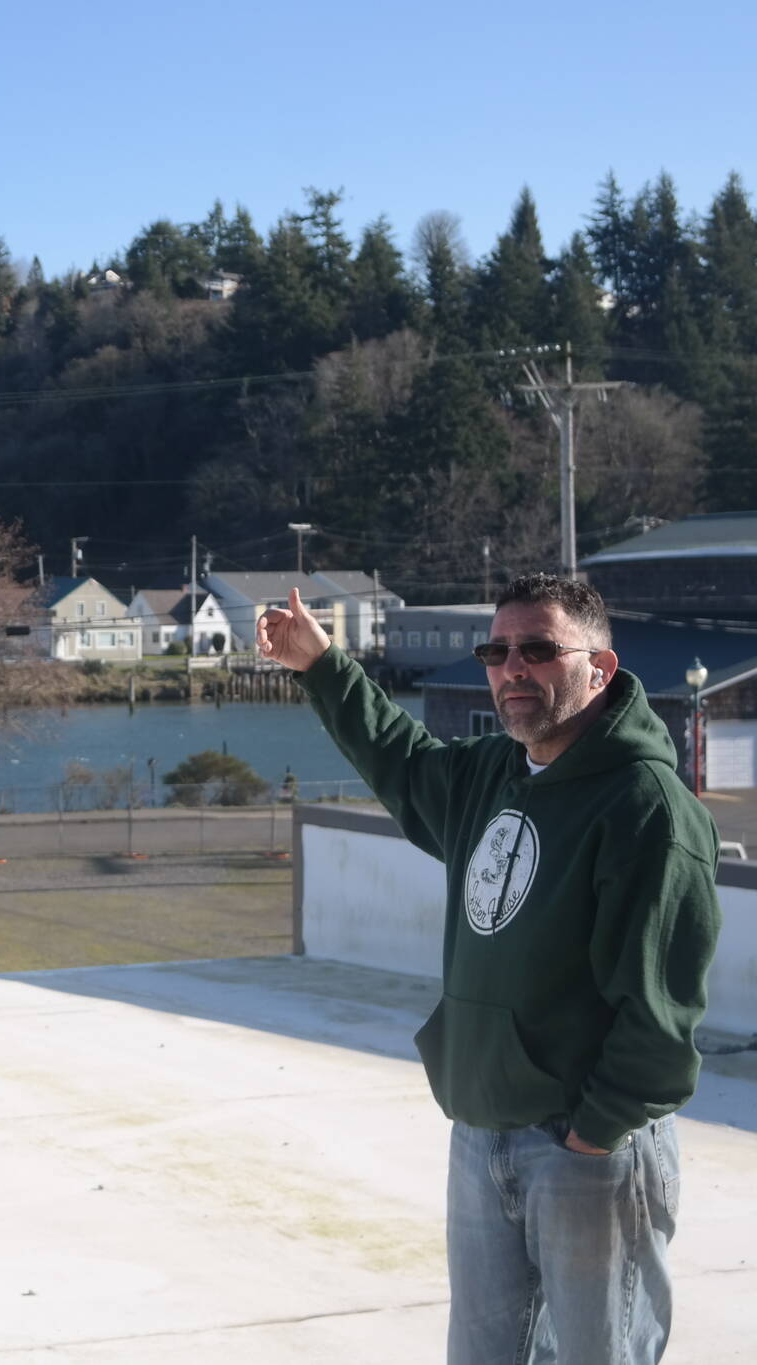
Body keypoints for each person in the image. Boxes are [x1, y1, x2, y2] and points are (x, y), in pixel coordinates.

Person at [259, 572, 719, 1364]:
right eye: (496, 650)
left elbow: (660, 1015)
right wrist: (323, 666)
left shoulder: (646, 808)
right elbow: (400, 758)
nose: (513, 668)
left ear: (599, 669)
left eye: (538, 649)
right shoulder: (490, 773)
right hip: (482, 1134)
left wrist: (593, 1137)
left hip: (587, 1156)